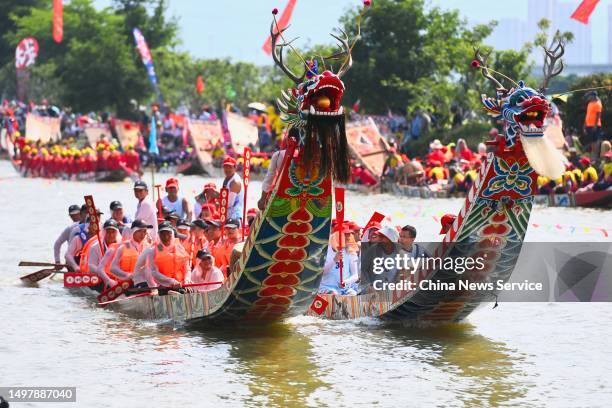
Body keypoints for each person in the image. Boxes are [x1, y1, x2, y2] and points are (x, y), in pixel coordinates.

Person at [145, 221, 191, 290]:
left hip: (182, 285)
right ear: (159, 235)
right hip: (164, 286)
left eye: (168, 233)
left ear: (172, 234)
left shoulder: (180, 248)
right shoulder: (153, 251)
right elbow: (154, 272)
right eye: (162, 234)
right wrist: (171, 282)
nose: (166, 236)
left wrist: (187, 280)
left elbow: (187, 269)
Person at [319, 225, 360, 295]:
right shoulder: (325, 250)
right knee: (334, 295)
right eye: (345, 234)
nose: (348, 237)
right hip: (327, 287)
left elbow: (355, 275)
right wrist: (335, 260)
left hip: (345, 289)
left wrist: (346, 282)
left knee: (352, 295)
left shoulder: (350, 251)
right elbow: (322, 273)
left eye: (349, 234)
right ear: (337, 235)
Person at [84, 220, 122, 289]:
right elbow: (91, 266)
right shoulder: (95, 247)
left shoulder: (121, 246)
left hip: (116, 276)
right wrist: (105, 274)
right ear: (104, 233)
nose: (111, 235)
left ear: (116, 233)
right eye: (108, 232)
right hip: (98, 277)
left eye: (113, 232)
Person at [221, 156, 244, 222]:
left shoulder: (235, 182)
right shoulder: (227, 178)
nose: (227, 169)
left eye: (230, 167)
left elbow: (229, 203)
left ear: (235, 168)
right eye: (226, 167)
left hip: (235, 217)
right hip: (228, 215)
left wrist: (217, 198)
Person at [584, 91, 603, 158]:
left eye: (589, 96)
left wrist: (595, 125)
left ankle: (595, 156)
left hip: (595, 125)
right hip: (589, 125)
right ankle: (592, 155)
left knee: (595, 141)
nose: (588, 97)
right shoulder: (590, 103)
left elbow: (598, 115)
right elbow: (587, 114)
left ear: (593, 96)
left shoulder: (598, 104)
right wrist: (585, 125)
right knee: (591, 141)